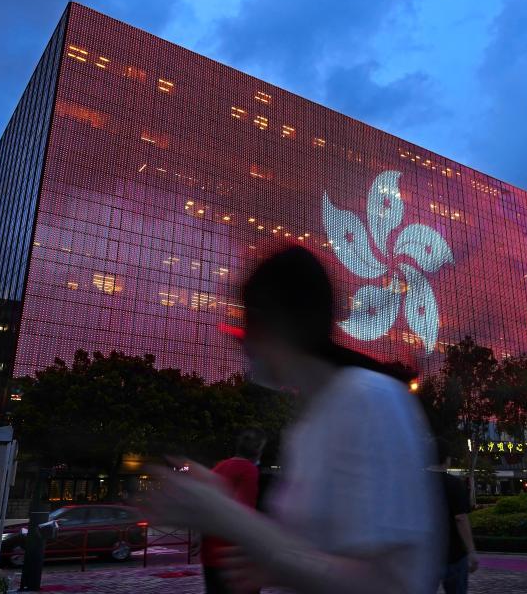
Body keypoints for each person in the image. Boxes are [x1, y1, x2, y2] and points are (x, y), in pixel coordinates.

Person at [151, 246, 441, 594]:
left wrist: (230, 518)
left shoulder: (370, 401)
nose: (243, 344)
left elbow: (391, 583)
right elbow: (310, 558)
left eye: (248, 324)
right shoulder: (307, 426)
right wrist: (225, 508)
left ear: (274, 324)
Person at [201, 427, 267, 594]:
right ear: (258, 450)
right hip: (235, 556)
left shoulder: (218, 467)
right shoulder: (249, 470)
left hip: (210, 553)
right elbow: (246, 514)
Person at [431, 438, 478, 593]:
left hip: (426, 554)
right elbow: (461, 518)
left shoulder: (417, 484)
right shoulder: (455, 484)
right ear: (447, 460)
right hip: (454, 554)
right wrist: (471, 550)